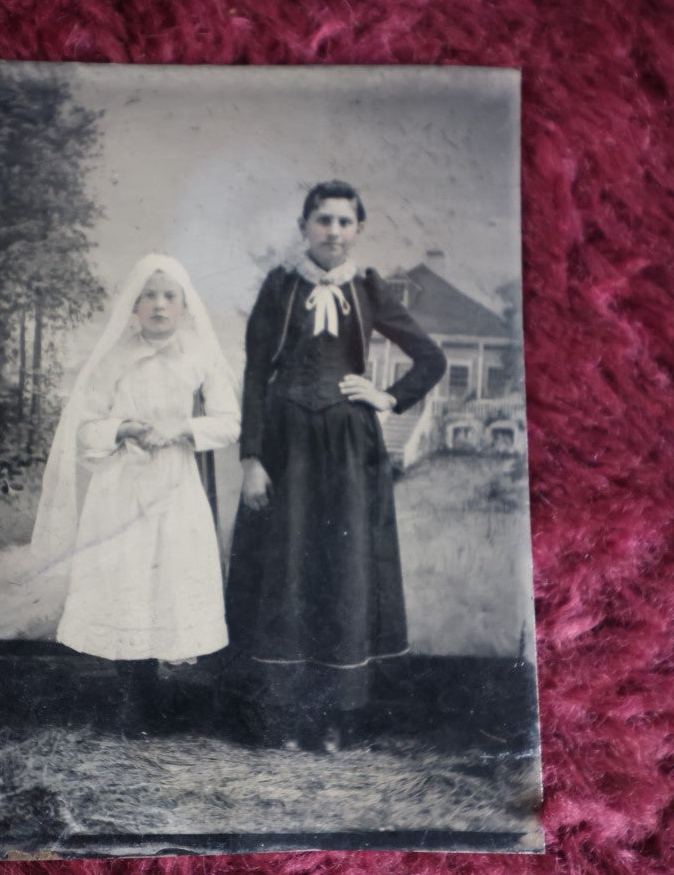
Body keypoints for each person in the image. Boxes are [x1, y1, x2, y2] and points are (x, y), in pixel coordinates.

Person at [223, 181, 447, 751]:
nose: (334, 231)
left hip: (348, 451)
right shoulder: (281, 286)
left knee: (341, 570)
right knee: (289, 568)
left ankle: (335, 717)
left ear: (358, 231)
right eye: (323, 220)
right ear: (304, 227)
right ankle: (284, 717)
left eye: (345, 222)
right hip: (286, 447)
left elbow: (432, 358)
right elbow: (254, 373)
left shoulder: (368, 289)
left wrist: (386, 396)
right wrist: (252, 457)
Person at [31, 254, 240, 724]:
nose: (159, 305)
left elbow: (229, 424)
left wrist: (183, 429)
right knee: (126, 578)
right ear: (134, 304)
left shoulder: (200, 356)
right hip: (121, 487)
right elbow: (84, 429)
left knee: (168, 577)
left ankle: (160, 693)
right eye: (149, 295)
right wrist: (122, 428)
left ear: (186, 306)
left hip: (175, 483)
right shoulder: (113, 359)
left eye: (170, 296)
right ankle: (133, 693)